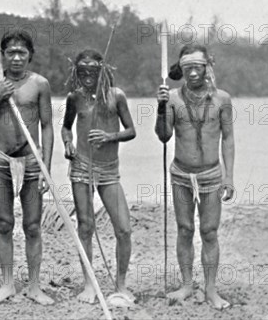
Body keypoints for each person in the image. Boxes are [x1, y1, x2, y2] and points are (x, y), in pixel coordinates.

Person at [0, 30, 54, 305]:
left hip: (31, 161)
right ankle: (7, 284)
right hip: (1, 161)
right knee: (4, 223)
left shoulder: (40, 84)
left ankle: (33, 286)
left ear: (30, 55)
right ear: (2, 56)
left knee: (32, 226)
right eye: (11, 52)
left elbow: (47, 126)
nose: (16, 57)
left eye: (22, 52)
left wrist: (46, 168)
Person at [155, 44, 235, 310]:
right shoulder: (173, 99)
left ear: (206, 68)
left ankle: (211, 289)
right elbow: (164, 135)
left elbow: (228, 139)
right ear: (182, 69)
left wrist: (229, 177)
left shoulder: (222, 99)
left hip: (211, 175)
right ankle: (188, 284)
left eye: (197, 68)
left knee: (209, 231)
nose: (192, 74)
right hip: (180, 174)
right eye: (187, 68)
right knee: (185, 229)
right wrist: (160, 107)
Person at [61, 49, 136, 304]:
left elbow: (131, 130)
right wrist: (68, 143)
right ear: (76, 72)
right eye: (82, 70)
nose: (87, 75)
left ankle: (121, 284)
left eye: (93, 70)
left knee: (124, 229)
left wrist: (109, 137)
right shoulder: (75, 98)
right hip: (81, 168)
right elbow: (65, 127)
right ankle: (89, 284)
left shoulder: (117, 96)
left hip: (109, 170)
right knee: (85, 226)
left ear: (102, 70)